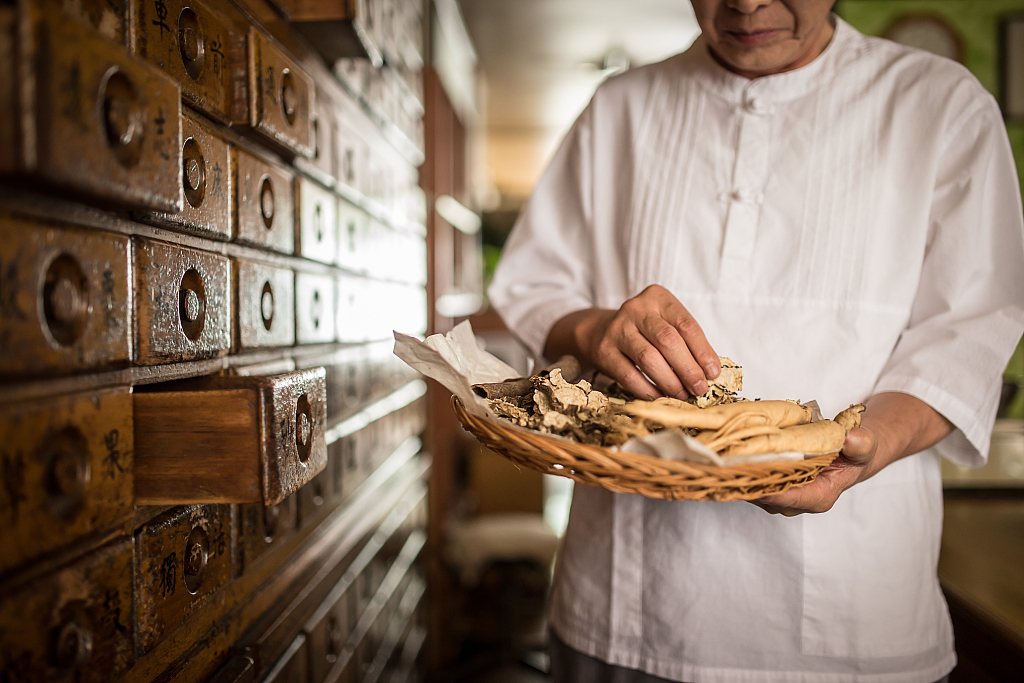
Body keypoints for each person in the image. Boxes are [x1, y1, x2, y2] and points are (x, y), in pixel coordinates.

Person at [487, 0, 1024, 681]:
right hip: (620, 612)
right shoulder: (618, 108)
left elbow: (970, 330)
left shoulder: (940, 106)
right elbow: (535, 288)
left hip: (854, 619)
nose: (746, 2)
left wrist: (867, 447)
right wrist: (592, 328)